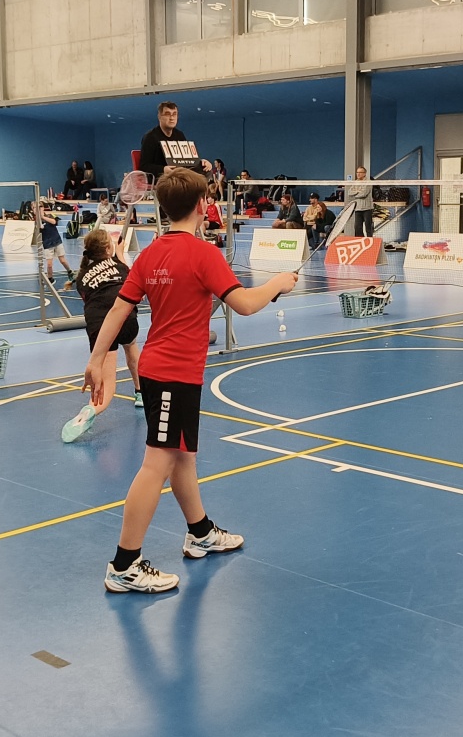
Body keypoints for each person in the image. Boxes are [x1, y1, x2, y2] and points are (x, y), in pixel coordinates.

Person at [86, 169, 298, 593]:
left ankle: (200, 532)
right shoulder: (204, 255)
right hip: (173, 374)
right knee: (157, 465)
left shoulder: (149, 255)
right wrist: (277, 283)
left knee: (182, 455)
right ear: (203, 206)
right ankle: (124, 565)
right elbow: (244, 304)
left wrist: (95, 358)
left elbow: (118, 310)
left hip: (160, 370)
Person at [61, 228, 144, 442]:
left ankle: (91, 410)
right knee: (131, 347)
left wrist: (115, 253)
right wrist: (120, 253)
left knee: (107, 385)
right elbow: (130, 282)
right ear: (108, 248)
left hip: (100, 329)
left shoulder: (81, 278)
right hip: (127, 321)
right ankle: (140, 392)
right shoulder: (120, 266)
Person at [138, 100, 200, 184]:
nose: (172, 118)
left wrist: (200, 163)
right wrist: (163, 169)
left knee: (204, 172)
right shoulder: (150, 137)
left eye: (174, 114)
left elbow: (187, 161)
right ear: (159, 117)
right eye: (167, 114)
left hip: (179, 178)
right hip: (161, 180)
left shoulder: (179, 135)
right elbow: (144, 166)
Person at [35, 200, 73, 284]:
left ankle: (70, 272)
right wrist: (39, 221)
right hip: (47, 244)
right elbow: (39, 228)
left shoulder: (49, 215)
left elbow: (54, 222)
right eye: (36, 208)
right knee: (49, 264)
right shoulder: (37, 221)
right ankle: (50, 279)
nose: (38, 209)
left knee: (62, 260)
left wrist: (43, 217)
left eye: (40, 207)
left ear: (43, 208)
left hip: (56, 240)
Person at [347, 166, 375, 237]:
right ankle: (360, 241)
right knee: (357, 227)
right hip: (358, 208)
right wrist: (358, 191)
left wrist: (355, 193)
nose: (358, 174)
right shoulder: (355, 182)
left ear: (364, 173)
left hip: (367, 208)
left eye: (360, 172)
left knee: (368, 228)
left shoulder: (368, 182)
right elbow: (349, 192)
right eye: (357, 172)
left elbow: (363, 194)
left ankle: (370, 241)